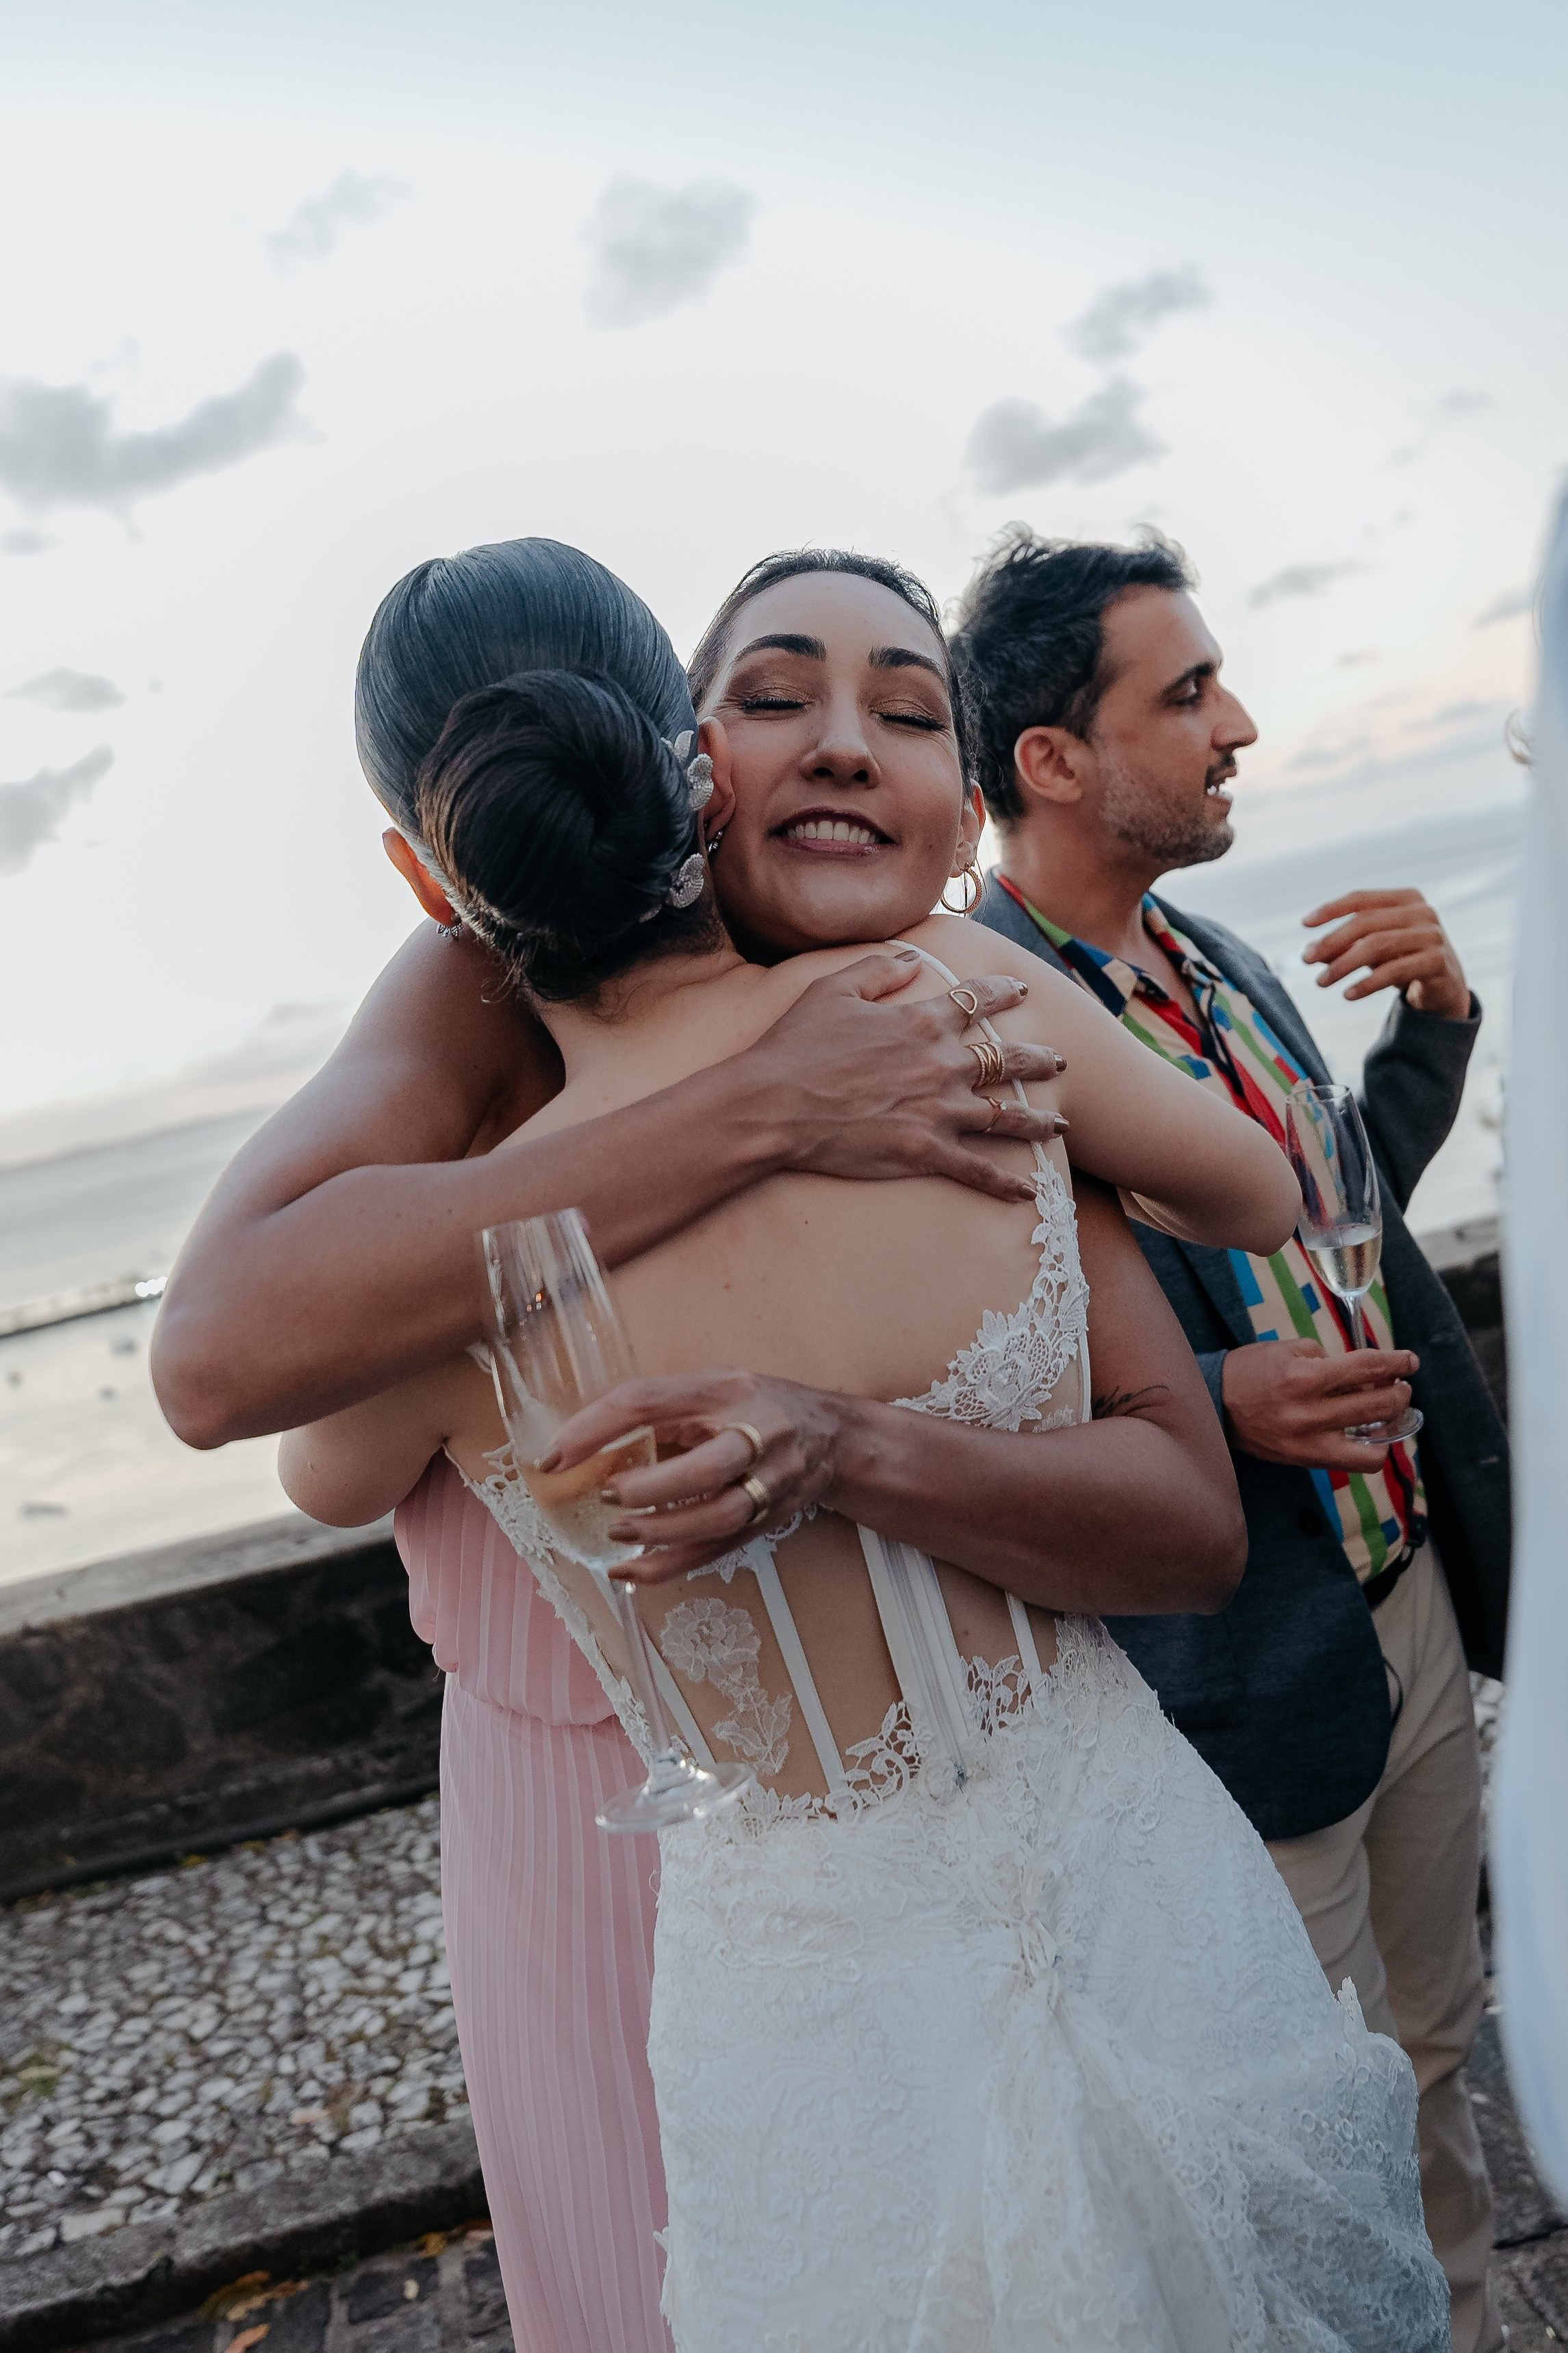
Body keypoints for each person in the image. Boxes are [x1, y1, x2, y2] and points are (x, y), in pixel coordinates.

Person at [280, 540, 1448, 2350]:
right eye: (775, 700)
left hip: (793, 1972)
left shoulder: (446, 1279)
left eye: (903, 710)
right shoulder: (961, 1024)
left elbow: (321, 1472)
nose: (837, 743)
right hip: (1124, 1855)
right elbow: (1247, 1197)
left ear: (428, 875)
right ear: (695, 771)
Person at [951, 528, 1511, 2353]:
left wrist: (1434, 1031)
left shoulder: (1218, 963)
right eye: (1186, 693)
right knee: (1294, 2120)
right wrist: (1206, 1403)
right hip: (1234, 1666)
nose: (1238, 723)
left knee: (1434, 2049)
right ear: (1051, 759)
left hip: (1404, 1596)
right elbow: (941, 1368)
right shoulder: (966, 1022)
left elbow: (1330, 1215)